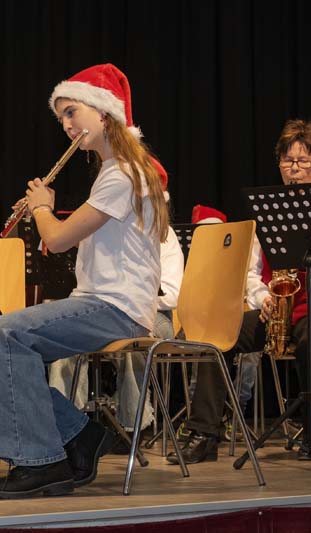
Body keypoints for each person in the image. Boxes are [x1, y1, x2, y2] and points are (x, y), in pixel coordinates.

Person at [0, 63, 169, 498]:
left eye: (72, 112)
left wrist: (41, 206)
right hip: (102, 303)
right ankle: (78, 435)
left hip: (117, 308)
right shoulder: (113, 173)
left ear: (104, 113)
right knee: (10, 344)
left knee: (5, 334)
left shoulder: (124, 174)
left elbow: (57, 240)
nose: (67, 125)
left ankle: (42, 461)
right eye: (62, 117)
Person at [167, 119, 311, 464]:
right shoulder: (270, 212)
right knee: (218, 335)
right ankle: (205, 433)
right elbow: (252, 274)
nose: (294, 169)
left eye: (303, 161)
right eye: (288, 161)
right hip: (279, 309)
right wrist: (263, 299)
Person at [48, 166, 183, 435]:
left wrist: (134, 296)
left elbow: (172, 293)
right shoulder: (107, 232)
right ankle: (69, 428)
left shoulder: (166, 236)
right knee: (66, 340)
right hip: (109, 309)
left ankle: (133, 425)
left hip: (156, 315)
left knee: (133, 337)